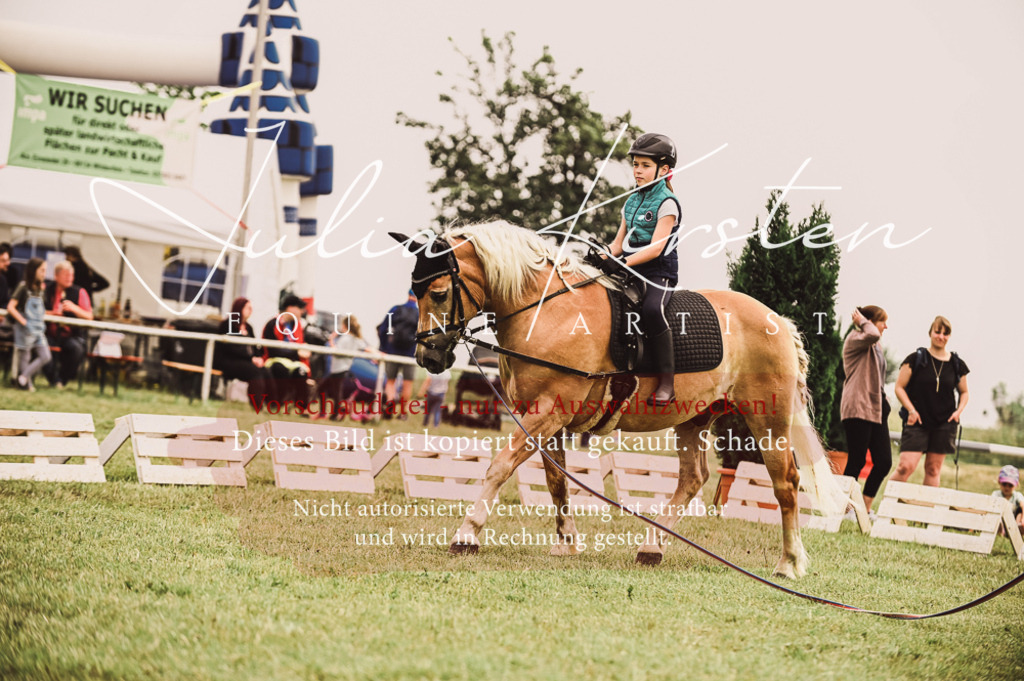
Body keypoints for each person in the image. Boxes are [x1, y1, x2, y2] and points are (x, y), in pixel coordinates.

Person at [599, 132, 681, 406]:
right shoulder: (631, 201)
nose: (638, 171)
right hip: (631, 269)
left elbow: (656, 248)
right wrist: (602, 256)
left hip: (659, 273)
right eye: (635, 164)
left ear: (665, 169)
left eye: (645, 165)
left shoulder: (668, 203)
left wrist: (620, 262)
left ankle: (667, 383)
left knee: (651, 310)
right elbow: (619, 243)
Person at [891, 315, 969, 487]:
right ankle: (885, 508)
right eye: (937, 332)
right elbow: (899, 387)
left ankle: (927, 513)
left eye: (945, 333)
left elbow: (964, 392)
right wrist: (911, 410)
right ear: (930, 333)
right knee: (905, 466)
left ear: (949, 336)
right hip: (917, 420)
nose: (941, 336)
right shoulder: (915, 359)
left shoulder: (957, 364)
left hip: (944, 423)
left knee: (933, 469)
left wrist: (958, 411)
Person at [838, 306, 892, 514]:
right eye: (882, 321)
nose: (885, 326)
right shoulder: (855, 339)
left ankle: (865, 510)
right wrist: (862, 320)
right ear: (868, 321)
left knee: (884, 462)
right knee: (857, 460)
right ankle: (842, 509)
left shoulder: (875, 345)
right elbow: (873, 332)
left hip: (876, 409)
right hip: (858, 407)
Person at [43, 260, 94, 389]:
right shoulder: (46, 289)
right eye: (66, 275)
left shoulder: (79, 292)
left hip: (70, 335)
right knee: (41, 345)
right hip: (49, 333)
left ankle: (62, 379)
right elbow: (36, 309)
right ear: (56, 276)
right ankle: (53, 379)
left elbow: (89, 317)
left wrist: (74, 308)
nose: (69, 278)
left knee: (76, 349)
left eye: (71, 275)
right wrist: (51, 313)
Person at [6, 258, 51, 391]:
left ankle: (23, 377)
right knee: (25, 356)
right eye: (42, 270)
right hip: (24, 327)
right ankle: (26, 385)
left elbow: (40, 309)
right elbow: (11, 307)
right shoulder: (23, 287)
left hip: (37, 328)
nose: (44, 273)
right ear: (33, 270)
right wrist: (23, 322)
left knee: (45, 356)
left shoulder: (41, 289)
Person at [316, 315, 370, 419]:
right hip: (343, 368)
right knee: (330, 390)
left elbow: (336, 352)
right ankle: (333, 412)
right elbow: (365, 348)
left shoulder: (345, 338)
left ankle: (335, 413)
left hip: (338, 369)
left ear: (345, 325)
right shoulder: (356, 339)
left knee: (330, 391)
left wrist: (332, 339)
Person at [261, 294, 312, 402]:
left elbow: (301, 344)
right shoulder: (272, 324)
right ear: (290, 308)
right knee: (280, 370)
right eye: (299, 308)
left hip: (293, 362)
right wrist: (297, 353)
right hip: (273, 360)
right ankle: (276, 403)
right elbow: (273, 351)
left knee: (301, 372)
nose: (302, 312)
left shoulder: (296, 326)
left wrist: (303, 351)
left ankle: (303, 407)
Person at [377, 290, 419, 417]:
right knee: (407, 383)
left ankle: (390, 402)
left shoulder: (396, 309)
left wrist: (384, 347)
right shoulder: (421, 314)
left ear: (408, 295)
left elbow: (382, 329)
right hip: (410, 353)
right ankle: (403, 413)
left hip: (393, 350)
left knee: (390, 381)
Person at [215, 297, 268, 387]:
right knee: (255, 372)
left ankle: (273, 401)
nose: (250, 310)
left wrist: (258, 357)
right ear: (239, 308)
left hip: (248, 361)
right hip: (231, 361)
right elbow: (230, 348)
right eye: (248, 308)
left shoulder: (249, 327)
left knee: (266, 372)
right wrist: (251, 359)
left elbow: (255, 346)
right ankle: (256, 400)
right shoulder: (228, 325)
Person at [992, 465, 1024, 537]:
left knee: (1020, 512)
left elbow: (1023, 505)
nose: (1007, 487)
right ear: (999, 482)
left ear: (1016, 485)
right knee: (995, 512)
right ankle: (1000, 530)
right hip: (1000, 520)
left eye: (1010, 485)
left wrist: (1023, 518)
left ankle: (1017, 529)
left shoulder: (1017, 495)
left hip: (1013, 522)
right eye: (1004, 484)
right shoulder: (996, 494)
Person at [0, 242, 13, 308]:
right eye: (3, 260)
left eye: (8, 260)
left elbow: (6, 301)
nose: (8, 263)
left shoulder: (3, 280)